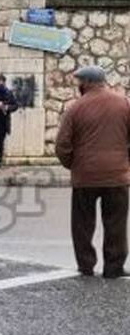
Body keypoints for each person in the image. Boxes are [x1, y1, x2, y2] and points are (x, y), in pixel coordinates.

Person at [55, 65, 130, 279]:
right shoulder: (124, 103)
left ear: (87, 83)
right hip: (117, 176)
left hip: (85, 177)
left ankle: (86, 266)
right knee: (116, 224)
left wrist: (73, 165)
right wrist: (125, 162)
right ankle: (113, 268)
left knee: (82, 225)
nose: (78, 85)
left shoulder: (75, 108)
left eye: (80, 81)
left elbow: (62, 145)